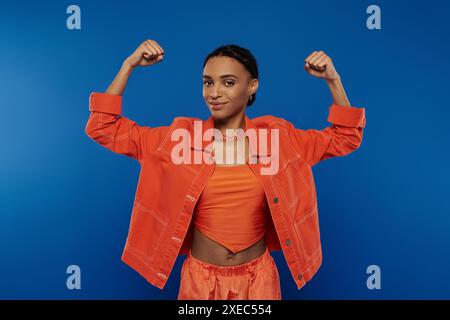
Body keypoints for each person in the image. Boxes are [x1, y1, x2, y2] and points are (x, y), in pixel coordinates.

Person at [85, 40, 366, 300]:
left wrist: (333, 80)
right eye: (208, 83)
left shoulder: (280, 139)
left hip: (259, 281)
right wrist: (128, 66)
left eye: (228, 82)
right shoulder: (177, 139)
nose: (214, 93)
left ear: (252, 85)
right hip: (200, 281)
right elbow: (103, 127)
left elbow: (345, 137)